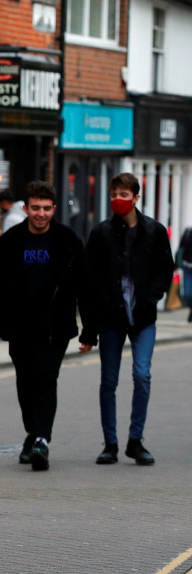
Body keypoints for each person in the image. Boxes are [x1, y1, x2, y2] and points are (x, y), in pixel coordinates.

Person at [0, 181, 96, 471]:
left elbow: (86, 287)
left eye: (46, 208)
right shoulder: (10, 241)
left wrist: (90, 330)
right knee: (25, 383)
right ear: (25, 208)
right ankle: (33, 434)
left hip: (54, 327)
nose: (41, 214)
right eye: (35, 208)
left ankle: (41, 440)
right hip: (18, 325)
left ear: (54, 209)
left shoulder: (68, 240)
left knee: (45, 378)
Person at [86, 173, 173, 466]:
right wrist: (102, 306)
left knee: (142, 375)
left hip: (143, 316)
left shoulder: (155, 231)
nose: (117, 200)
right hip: (111, 317)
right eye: (114, 194)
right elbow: (92, 275)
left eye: (124, 195)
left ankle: (135, 441)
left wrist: (151, 299)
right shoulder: (101, 233)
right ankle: (110, 444)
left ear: (136, 198)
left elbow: (165, 268)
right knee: (108, 380)